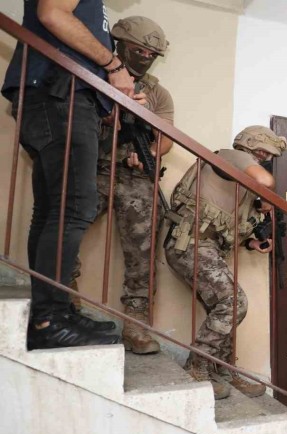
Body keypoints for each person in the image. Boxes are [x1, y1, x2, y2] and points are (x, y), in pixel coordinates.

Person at [2, 0, 136, 348]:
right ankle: (50, 320)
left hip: (59, 97)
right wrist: (114, 65)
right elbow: (51, 13)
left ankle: (53, 312)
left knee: (53, 209)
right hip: (60, 96)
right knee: (74, 207)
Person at [72, 16, 173, 355]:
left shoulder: (157, 92)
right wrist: (108, 112)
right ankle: (63, 302)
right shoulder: (97, 71)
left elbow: (166, 139)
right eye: (139, 50)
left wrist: (150, 151)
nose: (145, 57)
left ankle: (136, 325)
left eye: (151, 54)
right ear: (121, 44)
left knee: (143, 254)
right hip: (93, 167)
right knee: (66, 230)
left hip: (135, 178)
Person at [164, 125, 286, 400]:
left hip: (203, 245)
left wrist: (251, 243)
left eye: (268, 155)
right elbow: (265, 180)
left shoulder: (238, 180)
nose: (265, 157)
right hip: (189, 244)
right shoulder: (233, 156)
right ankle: (197, 366)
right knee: (234, 302)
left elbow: (222, 227)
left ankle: (223, 370)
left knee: (225, 308)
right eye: (263, 152)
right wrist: (266, 198)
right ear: (249, 144)